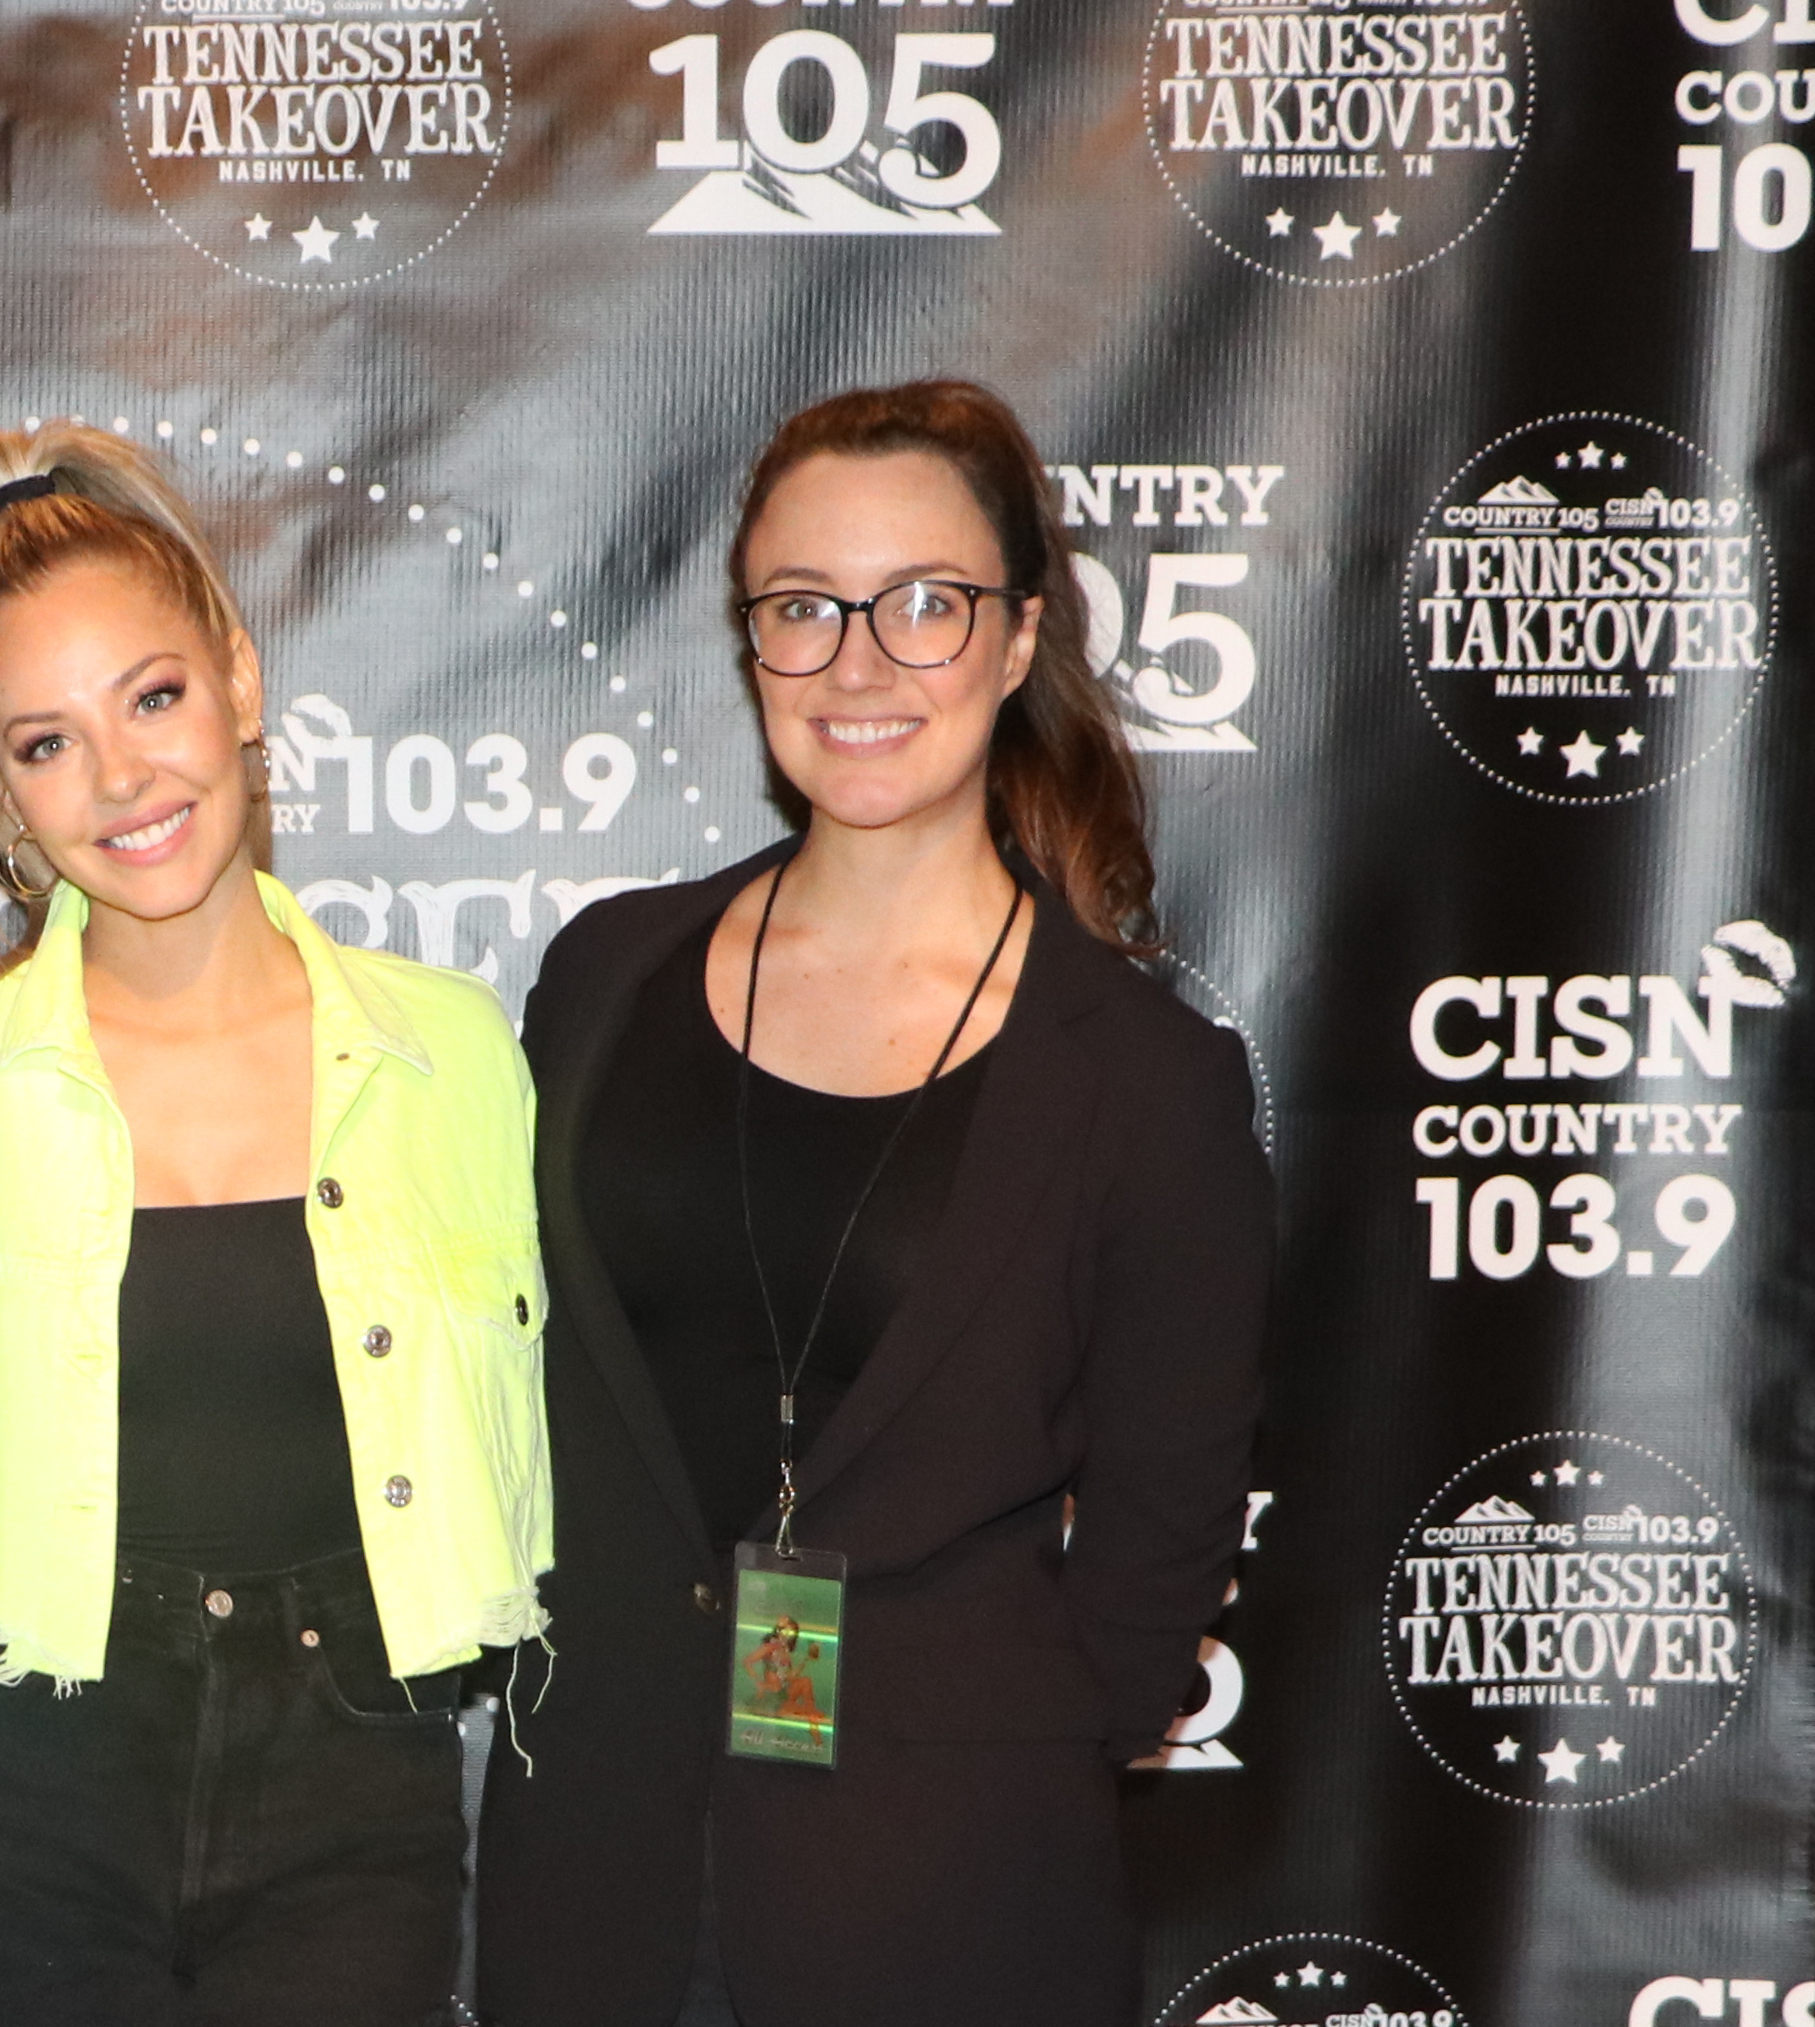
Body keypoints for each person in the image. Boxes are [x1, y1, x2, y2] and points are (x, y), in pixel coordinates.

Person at [472, 381, 1273, 2025]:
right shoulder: (606, 978)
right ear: (751, 641)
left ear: (1017, 635)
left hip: (951, 1906)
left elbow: (1161, 1549)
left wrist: (983, 1754)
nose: (858, 664)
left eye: (924, 604)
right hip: (598, 1878)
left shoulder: (1142, 1080)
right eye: (802, 607)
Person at [0, 424, 553, 2027]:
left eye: (154, 697)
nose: (121, 779)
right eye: (46, 742)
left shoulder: (451, 1052)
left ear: (242, 685)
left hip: (360, 1777)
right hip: (35, 1776)